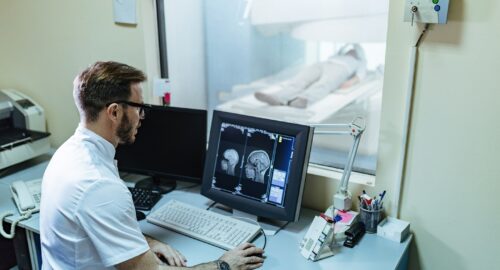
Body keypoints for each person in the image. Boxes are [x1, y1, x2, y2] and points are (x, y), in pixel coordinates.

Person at [40, 61, 265, 270]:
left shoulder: (66, 154)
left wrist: (145, 243)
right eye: (138, 107)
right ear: (114, 112)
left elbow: (98, 229)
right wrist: (223, 265)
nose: (142, 116)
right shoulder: (99, 185)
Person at [254, 44, 367, 108]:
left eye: (353, 51)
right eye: (350, 50)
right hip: (324, 64)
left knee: (324, 83)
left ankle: (304, 99)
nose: (351, 51)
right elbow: (343, 48)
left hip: (341, 69)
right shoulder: (337, 55)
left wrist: (350, 82)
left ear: (358, 54)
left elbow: (360, 75)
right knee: (301, 79)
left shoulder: (358, 62)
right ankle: (277, 97)